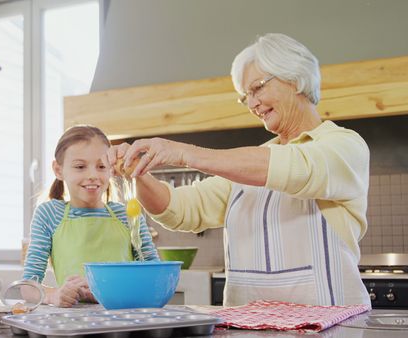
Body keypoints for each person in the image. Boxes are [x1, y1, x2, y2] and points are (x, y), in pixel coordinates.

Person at [106, 33, 371, 307]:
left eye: (257, 88)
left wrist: (184, 153)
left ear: (295, 78)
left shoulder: (344, 146)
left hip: (329, 328)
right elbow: (181, 209)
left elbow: (296, 168)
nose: (253, 104)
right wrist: (138, 171)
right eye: (246, 97)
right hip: (248, 329)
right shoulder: (248, 166)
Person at [23, 125, 159, 308]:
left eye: (101, 166)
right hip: (70, 323)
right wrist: (55, 295)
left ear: (111, 169)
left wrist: (108, 291)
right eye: (80, 166)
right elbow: (28, 287)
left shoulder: (127, 214)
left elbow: (155, 277)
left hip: (122, 319)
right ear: (58, 169)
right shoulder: (49, 214)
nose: (93, 175)